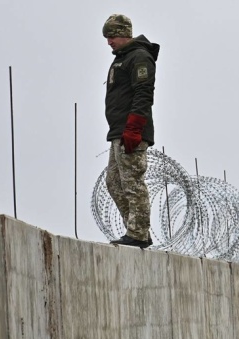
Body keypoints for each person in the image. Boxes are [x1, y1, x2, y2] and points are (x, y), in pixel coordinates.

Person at [102, 14, 160, 248]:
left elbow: (144, 93)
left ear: (124, 33)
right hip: (119, 131)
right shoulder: (122, 58)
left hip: (131, 131)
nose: (109, 42)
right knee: (114, 181)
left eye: (112, 36)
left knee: (132, 182)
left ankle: (137, 233)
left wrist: (134, 128)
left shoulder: (139, 57)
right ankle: (136, 230)